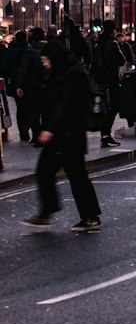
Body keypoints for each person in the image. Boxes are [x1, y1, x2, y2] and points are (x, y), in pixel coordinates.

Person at [21, 36, 102, 232]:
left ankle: (90, 217)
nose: (45, 64)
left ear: (55, 58)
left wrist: (50, 129)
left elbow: (67, 105)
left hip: (69, 133)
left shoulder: (74, 75)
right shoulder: (61, 74)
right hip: (60, 134)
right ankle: (46, 212)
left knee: (77, 176)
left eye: (46, 60)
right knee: (45, 172)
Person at [92, 18, 126, 147]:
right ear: (112, 31)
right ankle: (106, 134)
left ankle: (104, 134)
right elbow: (121, 60)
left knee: (104, 107)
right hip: (111, 79)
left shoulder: (97, 44)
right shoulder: (113, 44)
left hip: (99, 80)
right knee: (114, 106)